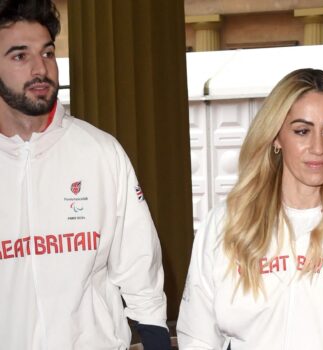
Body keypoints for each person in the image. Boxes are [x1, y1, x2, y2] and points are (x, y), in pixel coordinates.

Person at [0, 1, 171, 349]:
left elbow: (141, 272)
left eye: (47, 53)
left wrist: (156, 340)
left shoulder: (101, 152)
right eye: (20, 56)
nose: (40, 68)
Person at [177, 68, 323, 349]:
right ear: (276, 137)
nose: (318, 147)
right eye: (302, 131)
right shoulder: (227, 223)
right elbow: (198, 335)